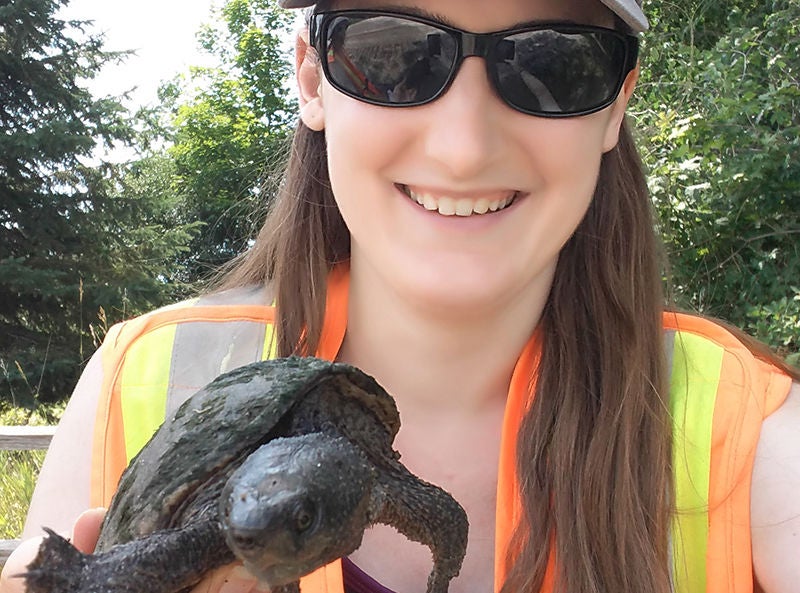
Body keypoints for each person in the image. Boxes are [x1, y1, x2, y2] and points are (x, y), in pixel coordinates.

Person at [2, 0, 799, 591]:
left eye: (554, 64)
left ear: (615, 106)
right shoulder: (136, 383)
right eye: (391, 55)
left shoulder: (753, 437)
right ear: (311, 79)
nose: (463, 148)